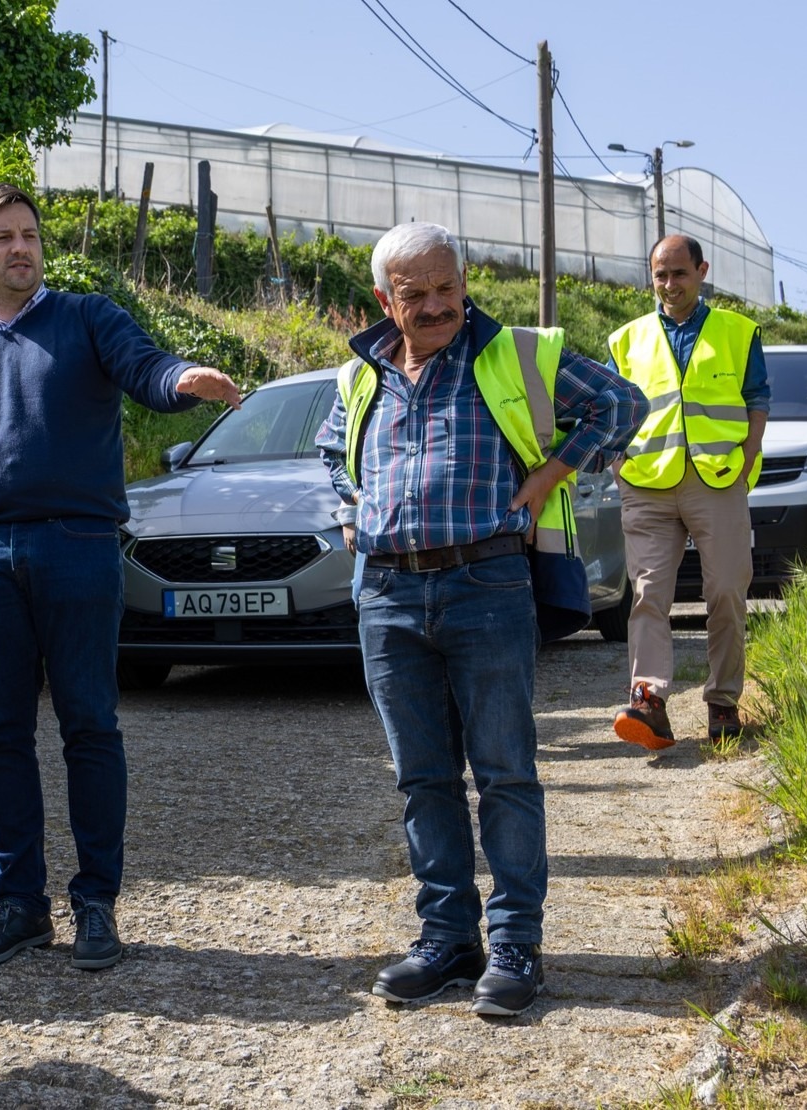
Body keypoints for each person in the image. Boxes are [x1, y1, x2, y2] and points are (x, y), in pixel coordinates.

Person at [0, 183, 241, 971]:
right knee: (0, 732)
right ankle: (19, 904)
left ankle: (95, 903)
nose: (21, 247)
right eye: (4, 237)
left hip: (80, 546)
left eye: (30, 235)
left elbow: (145, 365)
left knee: (89, 724)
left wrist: (182, 380)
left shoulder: (87, 317)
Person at [316, 222, 646, 1016]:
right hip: (388, 596)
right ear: (383, 300)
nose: (435, 307)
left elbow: (623, 404)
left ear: (465, 282)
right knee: (422, 777)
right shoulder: (360, 373)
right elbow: (334, 452)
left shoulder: (516, 353)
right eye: (415, 294)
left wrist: (550, 474)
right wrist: (351, 509)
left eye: (446, 288)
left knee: (503, 771)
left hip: (486, 583)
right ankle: (446, 939)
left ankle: (515, 946)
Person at [607, 235, 769, 750]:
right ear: (650, 276)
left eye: (679, 273)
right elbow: (612, 409)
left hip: (718, 479)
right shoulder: (626, 339)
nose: (669, 284)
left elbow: (757, 398)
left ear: (702, 271)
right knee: (649, 594)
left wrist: (748, 456)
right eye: (660, 275)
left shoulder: (738, 332)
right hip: (647, 483)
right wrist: (618, 461)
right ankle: (648, 700)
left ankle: (722, 701)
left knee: (724, 591)